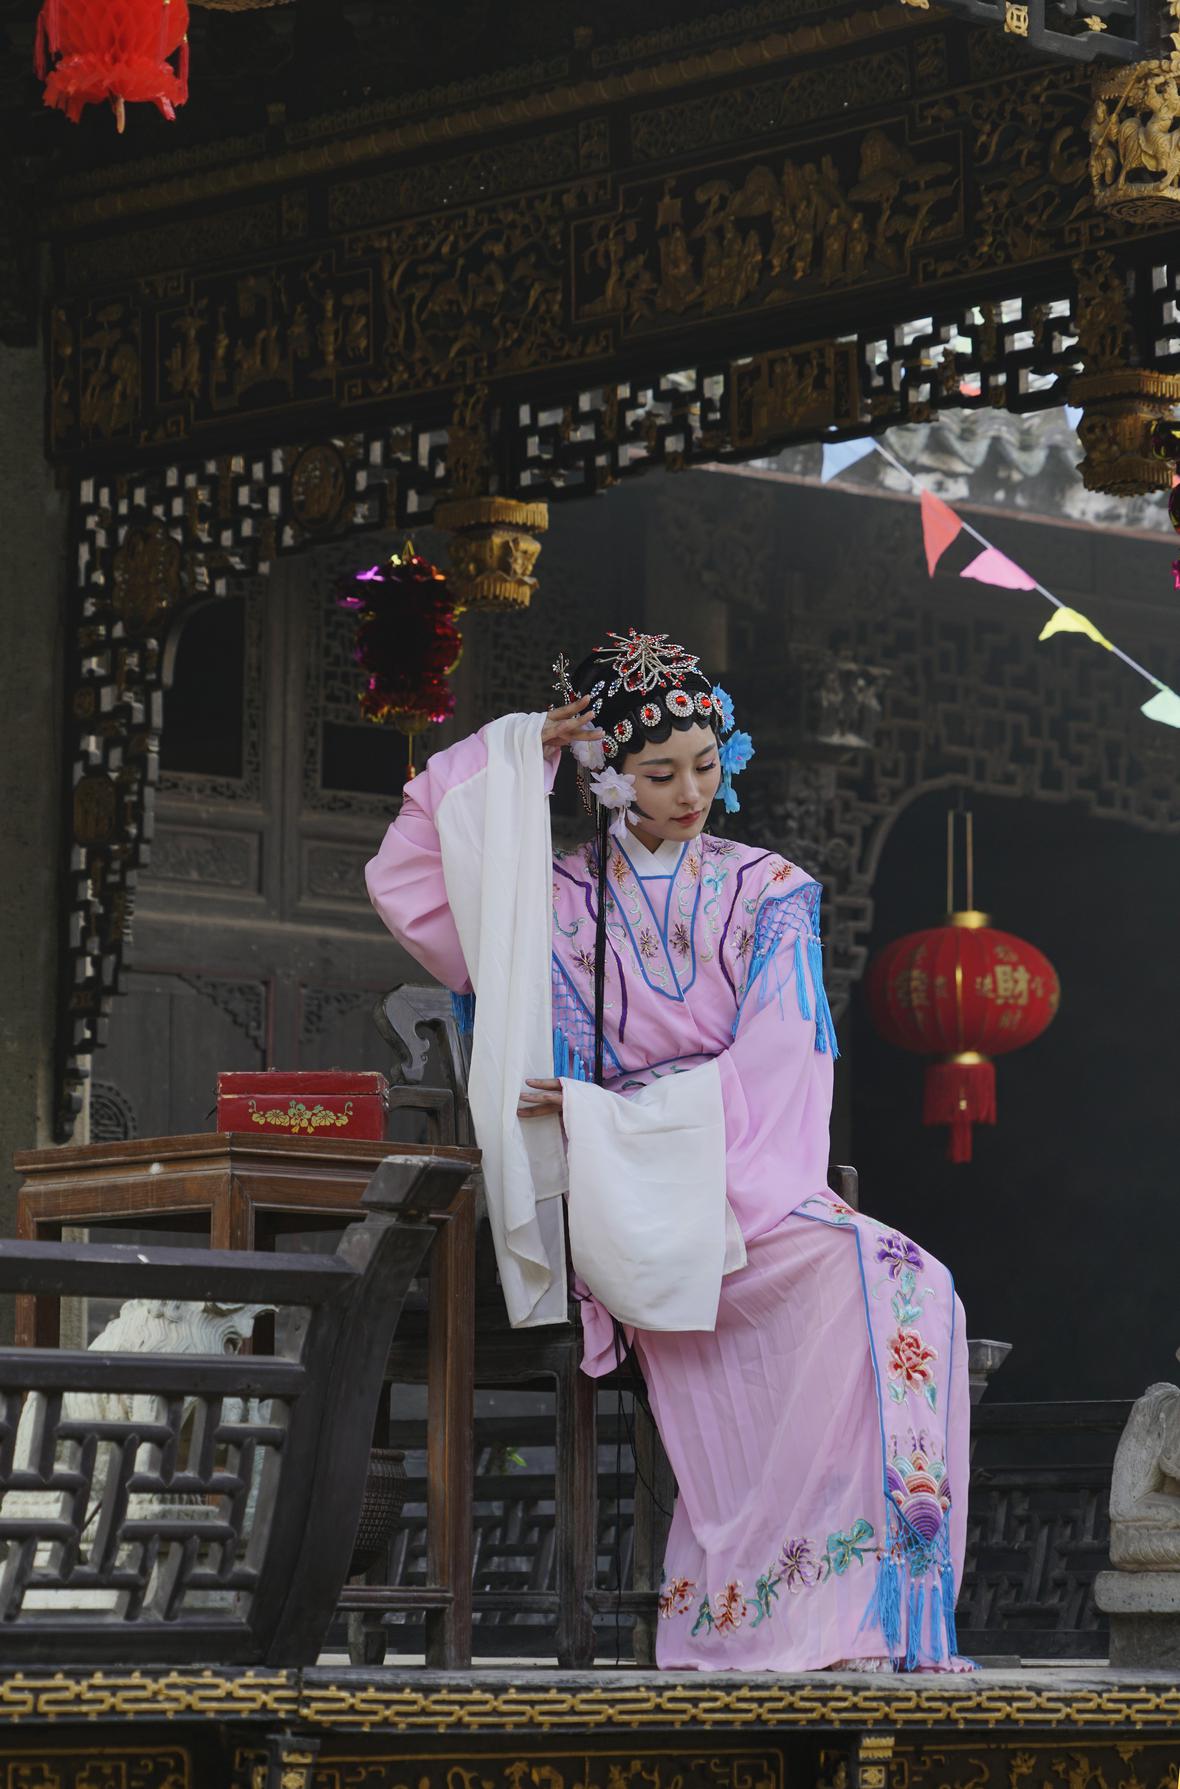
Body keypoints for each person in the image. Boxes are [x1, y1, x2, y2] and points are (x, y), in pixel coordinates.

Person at [366, 628, 970, 1672]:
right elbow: (409, 869)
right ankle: (760, 1603)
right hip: (613, 1192)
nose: (691, 792)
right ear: (608, 776)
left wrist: (627, 1121)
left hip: (736, 1172)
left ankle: (844, 1606)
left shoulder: (769, 888)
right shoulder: (547, 899)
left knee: (906, 1280)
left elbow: (781, 1061)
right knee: (871, 1277)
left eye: (704, 764)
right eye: (658, 772)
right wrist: (521, 749)